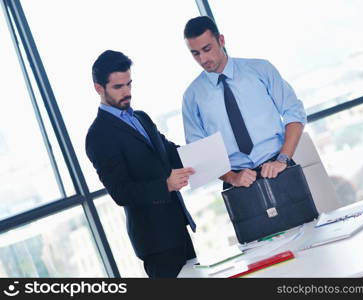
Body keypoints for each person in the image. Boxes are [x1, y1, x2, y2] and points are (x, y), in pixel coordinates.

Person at [86, 50, 196, 278]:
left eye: (129, 84)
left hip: (178, 228)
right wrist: (165, 185)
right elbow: (120, 192)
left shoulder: (141, 118)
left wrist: (205, 152)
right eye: (118, 87)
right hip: (155, 242)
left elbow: (169, 152)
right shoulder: (99, 135)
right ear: (99, 88)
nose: (127, 92)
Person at [182, 16, 306, 189]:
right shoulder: (191, 97)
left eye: (207, 49)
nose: (203, 59)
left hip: (279, 166)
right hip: (236, 181)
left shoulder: (261, 70)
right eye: (195, 53)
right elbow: (200, 153)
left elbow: (294, 113)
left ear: (221, 40)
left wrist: (282, 160)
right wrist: (232, 178)